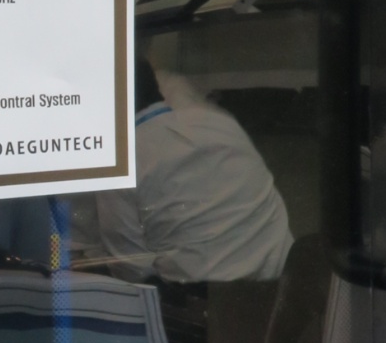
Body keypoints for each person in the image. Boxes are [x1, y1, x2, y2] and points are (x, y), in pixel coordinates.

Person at [97, 57, 293, 284]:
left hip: (207, 299)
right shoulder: (218, 122)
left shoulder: (122, 162)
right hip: (286, 283)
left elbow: (131, 269)